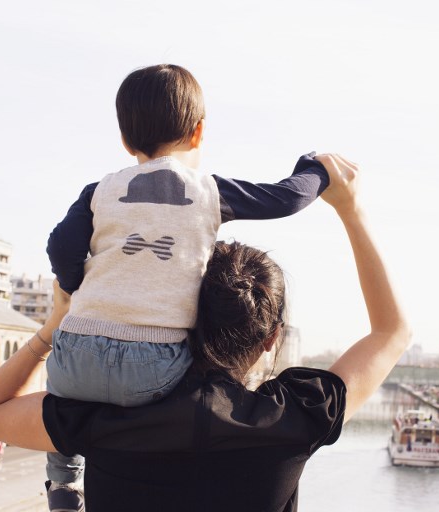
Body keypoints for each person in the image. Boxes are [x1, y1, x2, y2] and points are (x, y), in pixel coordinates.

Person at [0, 154, 411, 512]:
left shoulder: (109, 415)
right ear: (271, 338)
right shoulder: (292, 419)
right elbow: (392, 332)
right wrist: (351, 210)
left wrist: (51, 329)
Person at [42, 64, 330, 510]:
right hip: (157, 370)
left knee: (60, 404)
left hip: (75, 356)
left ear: (125, 140)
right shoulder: (207, 192)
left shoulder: (98, 191)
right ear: (197, 133)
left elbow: (61, 247)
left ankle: (64, 484)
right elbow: (287, 198)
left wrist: (77, 283)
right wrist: (315, 168)